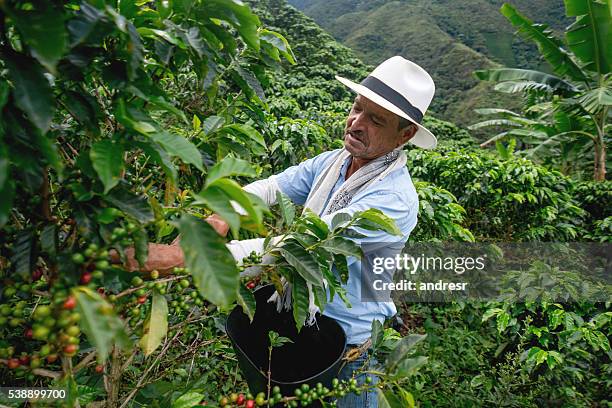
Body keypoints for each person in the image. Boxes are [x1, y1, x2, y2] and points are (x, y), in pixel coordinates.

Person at [123, 56, 437, 407]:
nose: (356, 123)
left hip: (348, 348)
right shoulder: (334, 162)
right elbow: (273, 188)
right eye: (357, 108)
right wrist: (221, 217)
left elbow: (305, 247)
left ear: (405, 135)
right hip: (301, 323)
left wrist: (192, 256)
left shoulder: (393, 199)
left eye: (375, 120)